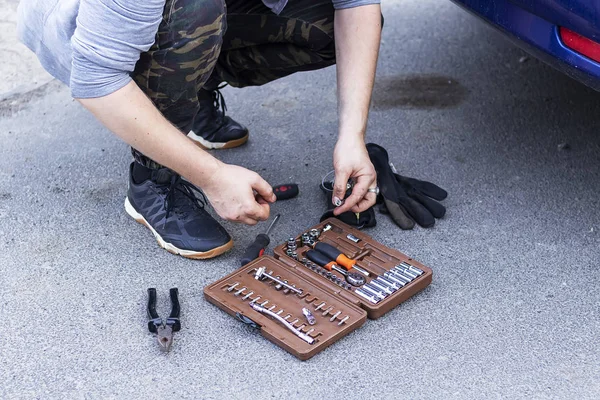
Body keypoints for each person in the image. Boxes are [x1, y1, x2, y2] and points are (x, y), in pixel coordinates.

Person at [17, 0, 381, 259]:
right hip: (90, 39)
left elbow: (356, 6)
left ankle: (188, 90)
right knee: (196, 11)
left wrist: (353, 136)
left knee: (321, 20)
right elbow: (96, 78)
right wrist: (213, 177)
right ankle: (152, 179)